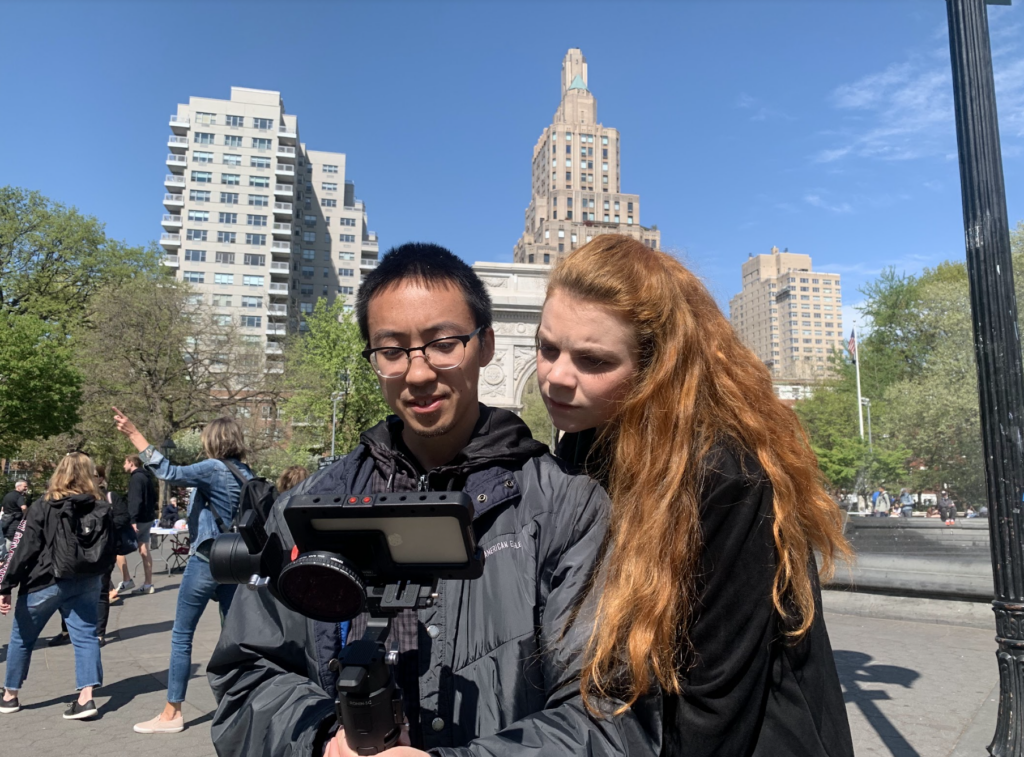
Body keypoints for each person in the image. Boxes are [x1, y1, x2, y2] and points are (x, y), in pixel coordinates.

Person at [206, 243, 659, 757]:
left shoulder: (568, 508)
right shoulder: (308, 507)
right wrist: (320, 739)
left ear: (486, 345)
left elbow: (611, 713)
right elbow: (246, 674)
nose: (418, 374)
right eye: (391, 351)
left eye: (444, 343)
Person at [536, 235, 854, 757]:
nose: (557, 378)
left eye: (593, 361)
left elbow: (717, 701)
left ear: (654, 367)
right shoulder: (585, 442)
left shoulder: (726, 473)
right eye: (548, 348)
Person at [112, 412, 253, 735]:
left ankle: (172, 712)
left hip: (206, 561)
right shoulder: (246, 473)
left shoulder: (214, 468)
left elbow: (169, 472)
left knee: (182, 635)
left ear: (212, 440)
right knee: (234, 639)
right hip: (236, 564)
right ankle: (239, 707)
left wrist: (135, 434)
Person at [0, 452, 110, 720]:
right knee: (85, 636)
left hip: (45, 579)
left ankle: (10, 695)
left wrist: (6, 585)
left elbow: (23, 547)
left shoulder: (44, 504)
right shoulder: (99, 504)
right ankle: (86, 698)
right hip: (86, 579)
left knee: (22, 637)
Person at [113, 454, 157, 595]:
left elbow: (135, 500)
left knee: (118, 547)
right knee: (144, 550)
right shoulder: (147, 477)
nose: (123, 466)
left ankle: (127, 580)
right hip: (148, 518)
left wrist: (132, 519)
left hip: (138, 519)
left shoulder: (136, 478)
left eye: (125, 463)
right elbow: (153, 497)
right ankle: (148, 583)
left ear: (131, 463)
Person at [1, 479, 29, 562]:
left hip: (5, 519)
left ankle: (3, 557)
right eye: (25, 486)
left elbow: (2, 508)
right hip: (15, 520)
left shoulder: (8, 495)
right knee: (11, 538)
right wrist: (26, 515)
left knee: (4, 537)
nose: (26, 488)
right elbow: (23, 507)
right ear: (18, 486)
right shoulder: (19, 496)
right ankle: (7, 559)